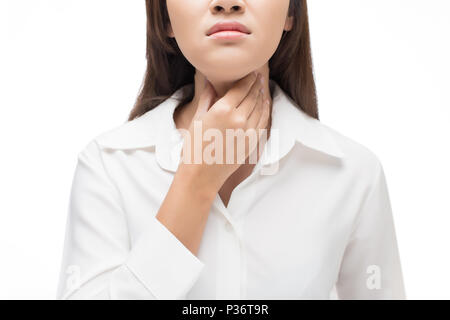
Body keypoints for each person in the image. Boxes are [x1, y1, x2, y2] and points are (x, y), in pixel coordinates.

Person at [56, 0, 406, 299]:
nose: (227, 3)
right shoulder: (107, 164)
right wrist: (195, 184)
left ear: (291, 13)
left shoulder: (355, 173)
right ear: (165, 19)